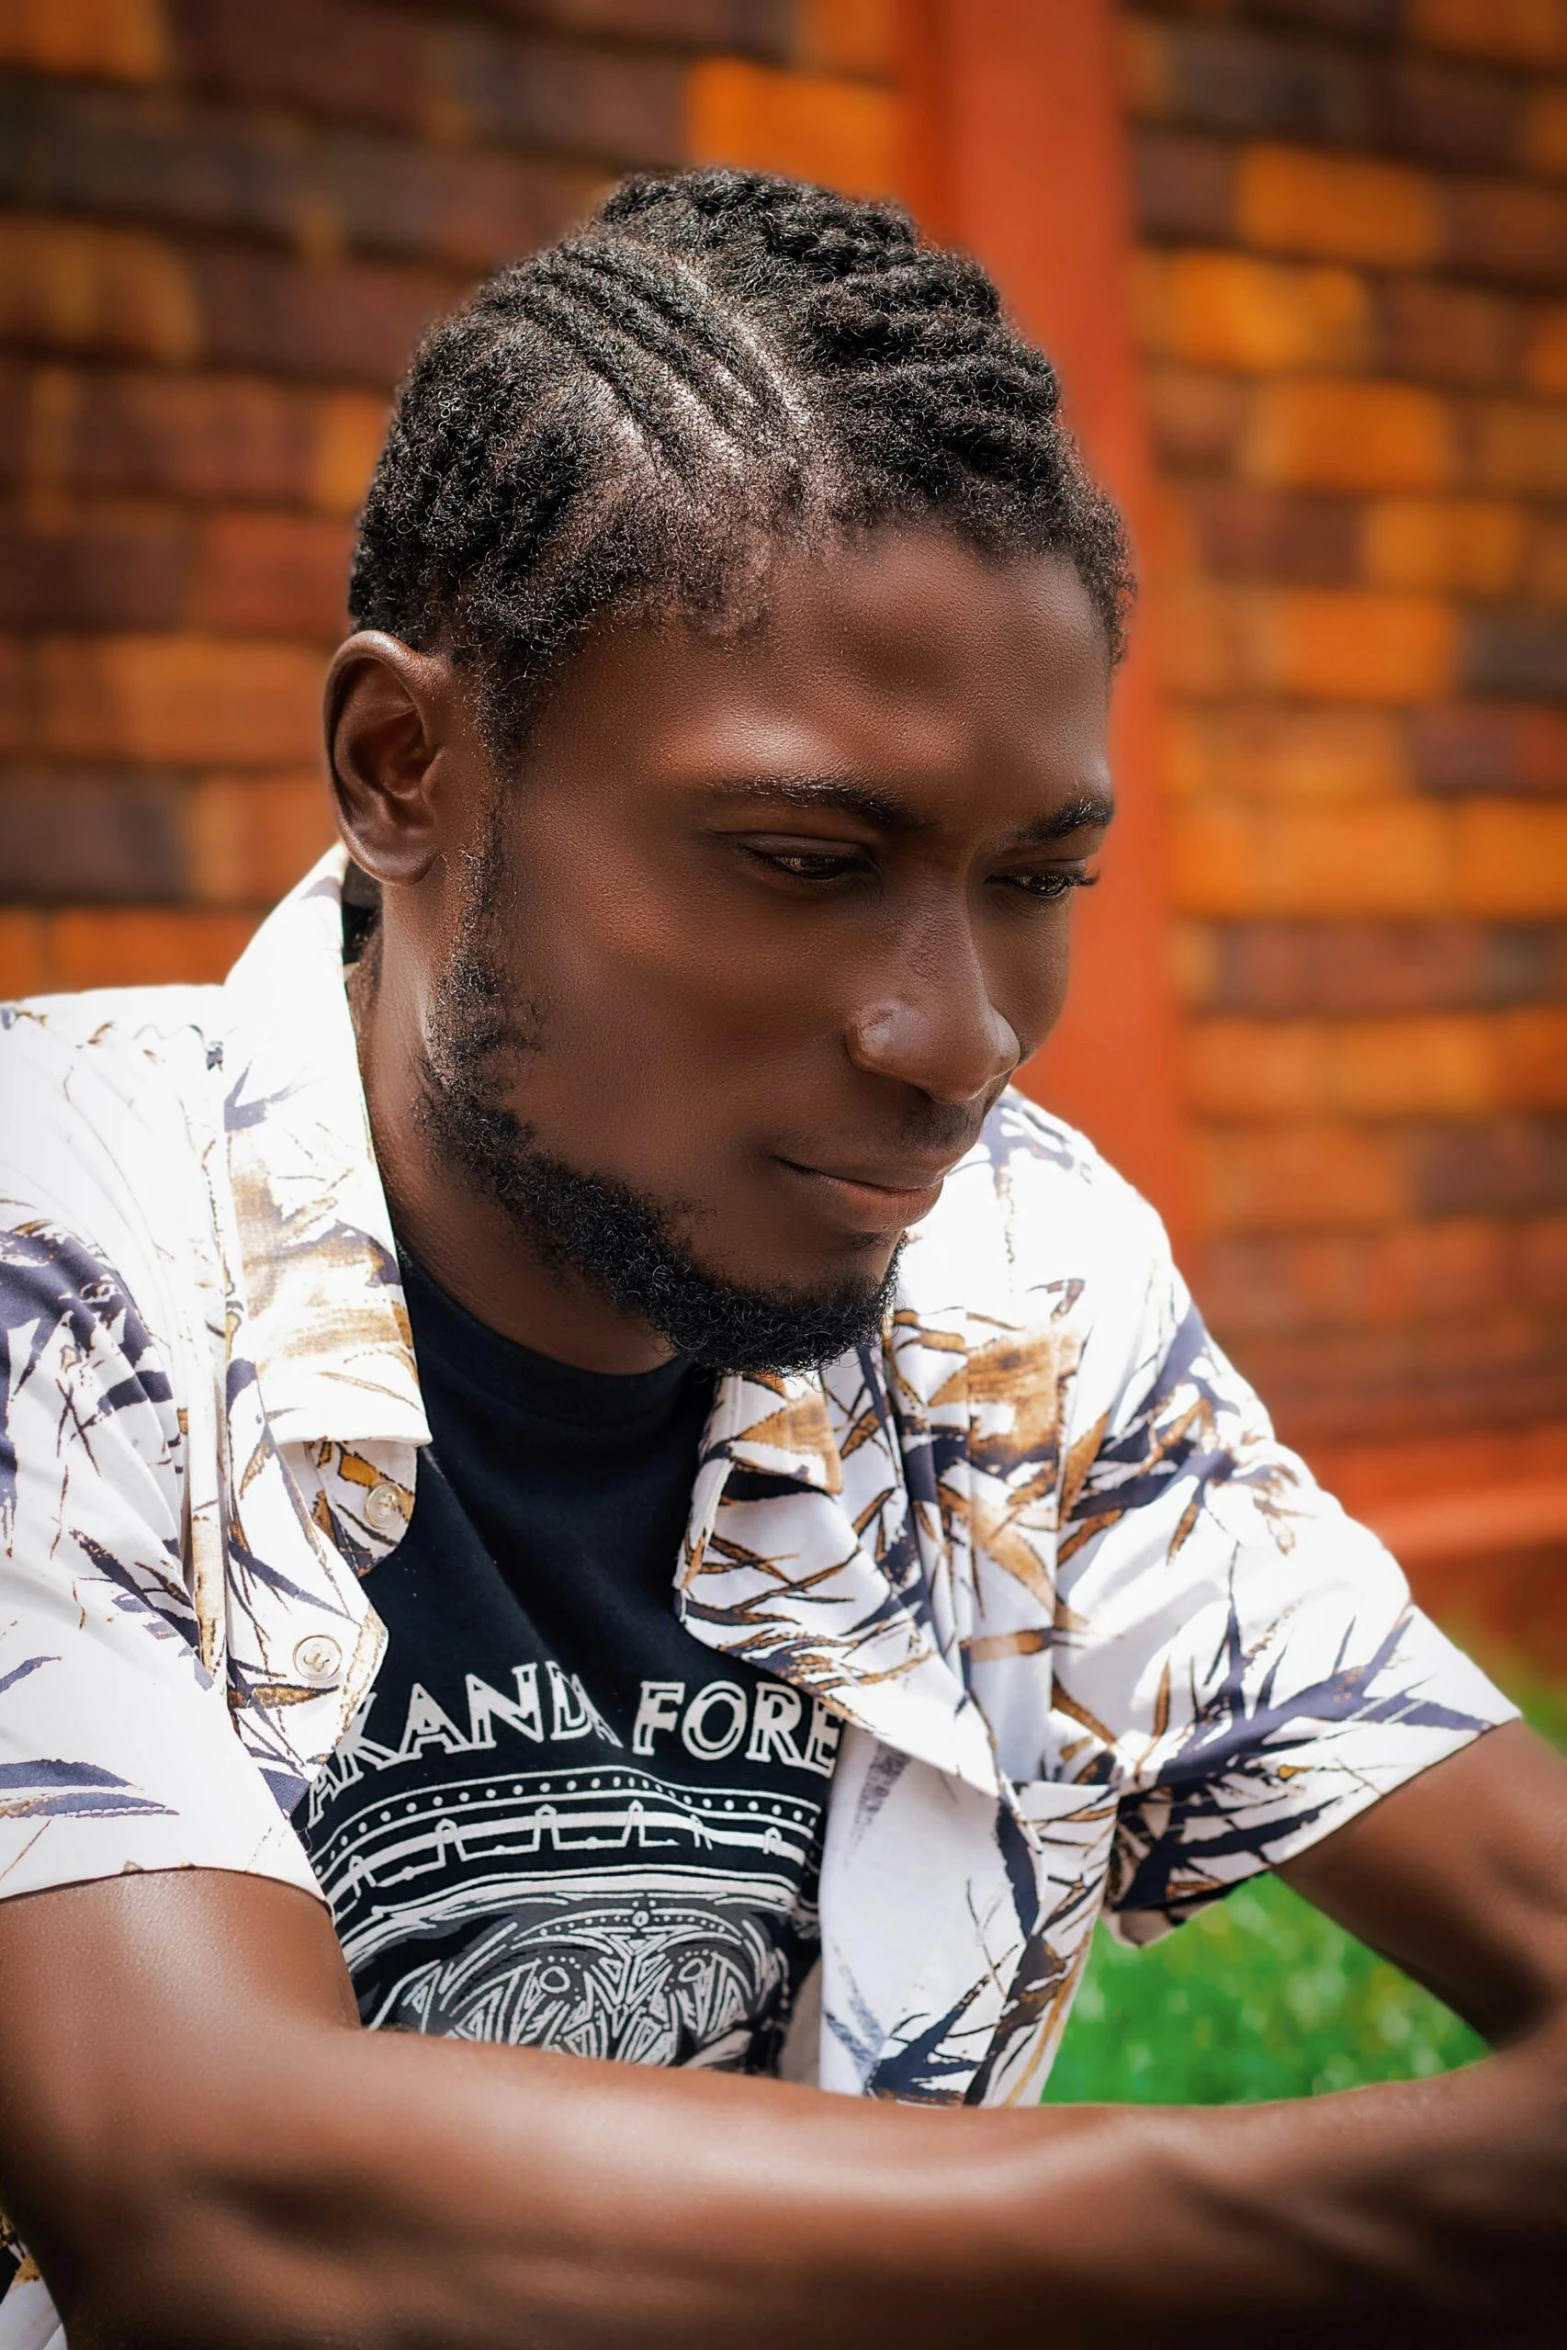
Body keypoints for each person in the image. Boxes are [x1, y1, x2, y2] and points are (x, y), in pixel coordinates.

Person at [0, 167, 1562, 2350]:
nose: (959, 1036)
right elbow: (206, 2192)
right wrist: (1385, 2218)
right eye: (806, 857)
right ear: (405, 762)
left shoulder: (1020, 1279)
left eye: (1037, 875)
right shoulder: (56, 1228)